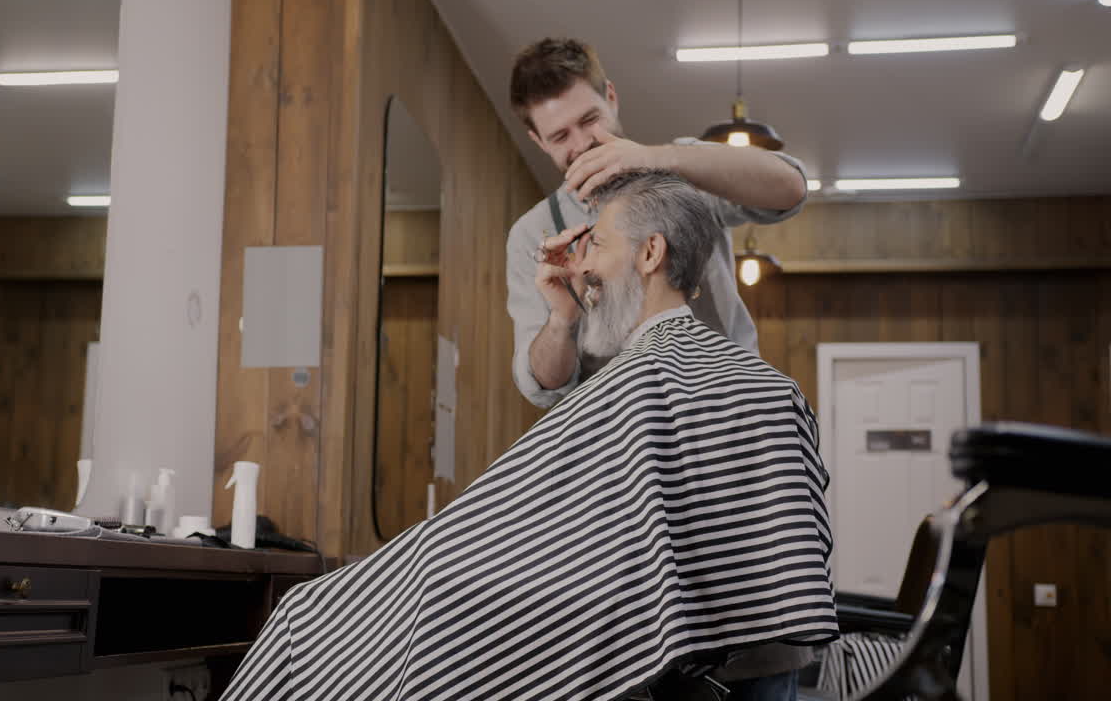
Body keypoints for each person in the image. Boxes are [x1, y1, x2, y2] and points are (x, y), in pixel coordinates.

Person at [220, 170, 837, 701]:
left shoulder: (635, 388)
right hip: (756, 655)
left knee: (313, 620)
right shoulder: (769, 387)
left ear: (650, 254)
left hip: (688, 670)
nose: (585, 265)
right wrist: (563, 310)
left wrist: (401, 582)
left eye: (595, 245)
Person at [507, 37, 808, 411]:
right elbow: (544, 384)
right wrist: (560, 320)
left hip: (727, 411)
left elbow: (791, 189)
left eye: (590, 119)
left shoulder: (686, 171)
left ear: (611, 97)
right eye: (560, 136)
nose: (583, 143)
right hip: (622, 440)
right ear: (537, 140)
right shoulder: (531, 234)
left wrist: (658, 158)